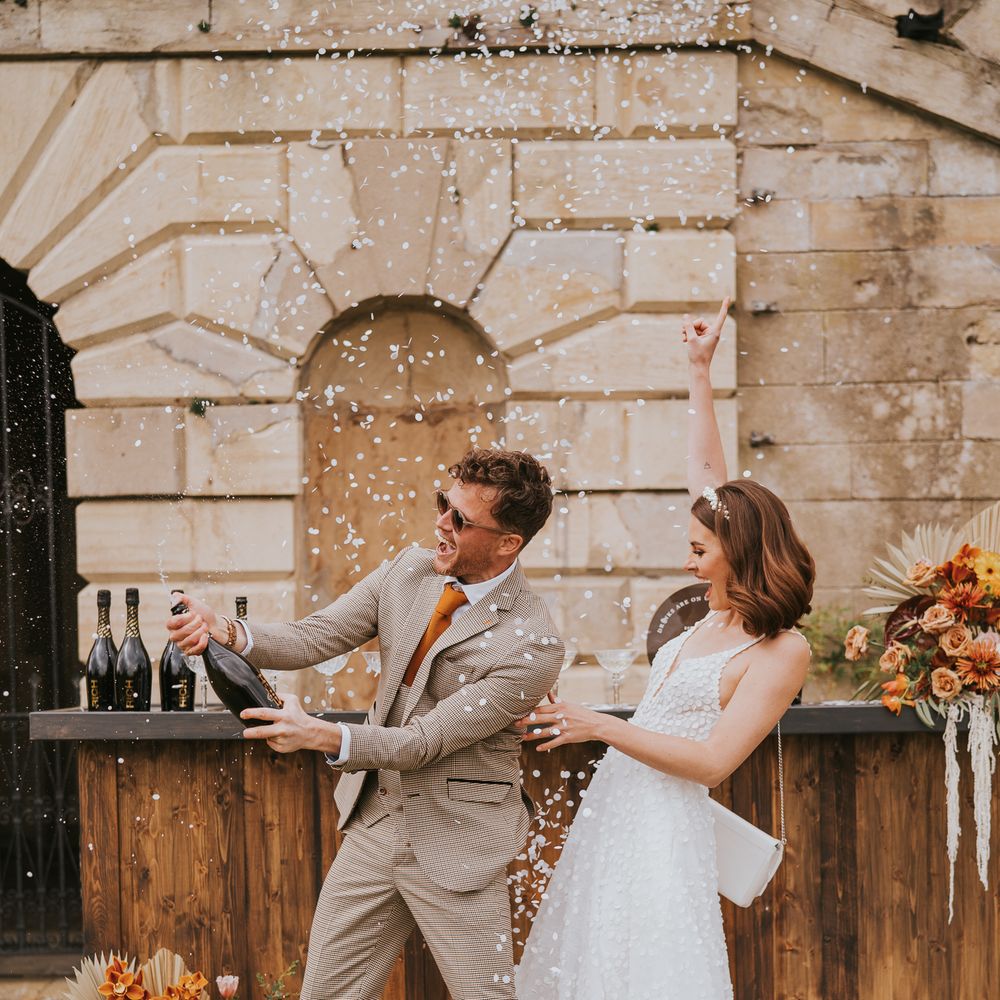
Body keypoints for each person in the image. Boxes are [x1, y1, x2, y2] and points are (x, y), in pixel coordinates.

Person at [167, 448, 563, 1000]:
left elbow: (424, 741)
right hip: (374, 822)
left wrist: (323, 736)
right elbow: (314, 636)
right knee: (327, 995)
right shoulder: (407, 570)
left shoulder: (532, 641)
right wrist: (230, 631)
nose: (440, 525)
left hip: (460, 842)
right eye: (443, 505)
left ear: (508, 543)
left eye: (460, 520)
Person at [515, 298, 815, 1000]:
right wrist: (698, 369)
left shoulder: (780, 651)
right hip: (615, 810)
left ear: (737, 551)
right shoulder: (706, 618)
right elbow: (710, 479)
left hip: (666, 829)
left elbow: (712, 762)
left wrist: (600, 725)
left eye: (697, 549)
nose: (686, 560)